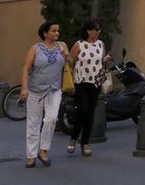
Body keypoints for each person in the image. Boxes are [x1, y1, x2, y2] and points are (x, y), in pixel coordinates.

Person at [20, 21, 68, 168]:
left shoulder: (62, 46)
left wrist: (68, 57)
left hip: (54, 90)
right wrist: (24, 88)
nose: (56, 33)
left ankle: (43, 150)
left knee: (51, 119)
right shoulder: (35, 49)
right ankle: (31, 156)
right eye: (53, 31)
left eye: (57, 31)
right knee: (33, 123)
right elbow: (26, 68)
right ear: (45, 33)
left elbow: (70, 65)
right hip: (35, 90)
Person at [67, 19, 111, 157]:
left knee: (90, 112)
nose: (98, 32)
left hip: (96, 82)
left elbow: (101, 60)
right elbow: (70, 62)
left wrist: (105, 60)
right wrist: (66, 58)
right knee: (83, 110)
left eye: (100, 30)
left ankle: (85, 143)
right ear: (88, 30)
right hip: (81, 82)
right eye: (96, 29)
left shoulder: (100, 44)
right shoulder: (79, 44)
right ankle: (73, 138)